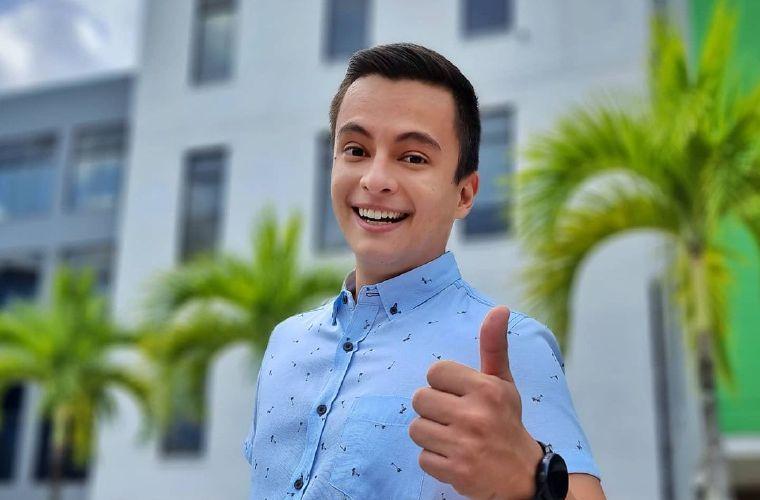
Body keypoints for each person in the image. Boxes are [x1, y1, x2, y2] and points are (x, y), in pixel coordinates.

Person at [242, 43, 605, 500]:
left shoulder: (511, 344)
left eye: (413, 158)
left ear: (464, 194)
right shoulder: (286, 343)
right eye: (355, 149)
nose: (375, 179)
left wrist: (528, 481)